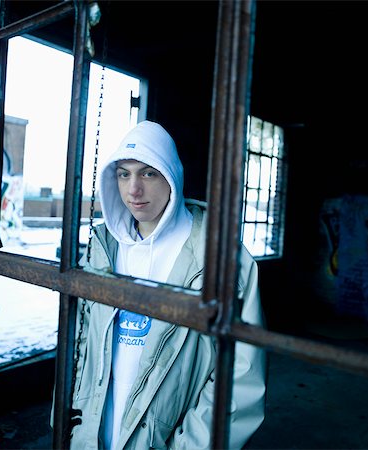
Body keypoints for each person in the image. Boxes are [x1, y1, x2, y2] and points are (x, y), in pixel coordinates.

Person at [67, 120, 266, 449]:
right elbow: (79, 347)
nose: (134, 190)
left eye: (148, 173)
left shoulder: (220, 257)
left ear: (172, 176)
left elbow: (240, 379)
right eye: (124, 174)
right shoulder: (103, 248)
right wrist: (71, 429)